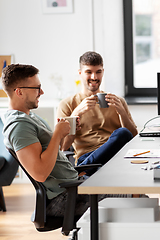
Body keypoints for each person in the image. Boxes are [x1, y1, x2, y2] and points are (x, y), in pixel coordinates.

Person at [1, 64, 137, 218]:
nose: (42, 92)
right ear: (19, 91)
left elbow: (53, 152)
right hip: (65, 196)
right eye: (37, 88)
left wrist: (65, 131)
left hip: (74, 183)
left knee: (129, 185)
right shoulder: (18, 126)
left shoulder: (29, 117)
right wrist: (58, 134)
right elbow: (40, 174)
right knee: (135, 197)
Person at [57, 51, 138, 175]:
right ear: (80, 73)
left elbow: (133, 137)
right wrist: (76, 114)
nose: (94, 77)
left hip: (115, 157)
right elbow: (63, 146)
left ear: (103, 72)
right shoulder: (67, 104)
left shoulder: (117, 101)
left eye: (98, 72)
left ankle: (82, 170)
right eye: (89, 72)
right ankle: (86, 167)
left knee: (123, 133)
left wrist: (122, 113)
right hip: (87, 157)